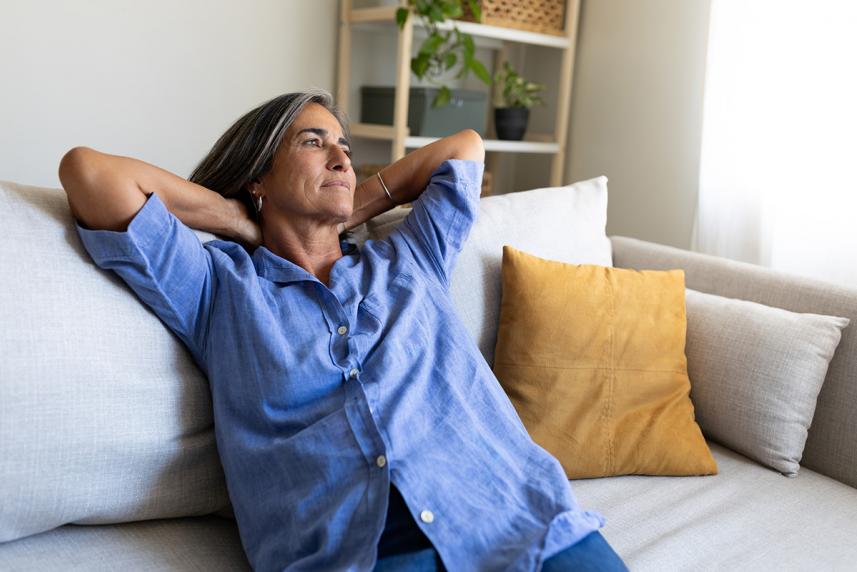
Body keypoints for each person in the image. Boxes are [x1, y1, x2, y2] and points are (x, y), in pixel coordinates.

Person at [60, 90, 629, 572]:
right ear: (257, 174)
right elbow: (90, 173)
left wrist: (354, 203)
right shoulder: (217, 289)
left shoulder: (410, 259)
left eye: (345, 148)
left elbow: (463, 149)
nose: (340, 157)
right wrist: (235, 218)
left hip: (521, 520)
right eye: (313, 142)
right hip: (358, 554)